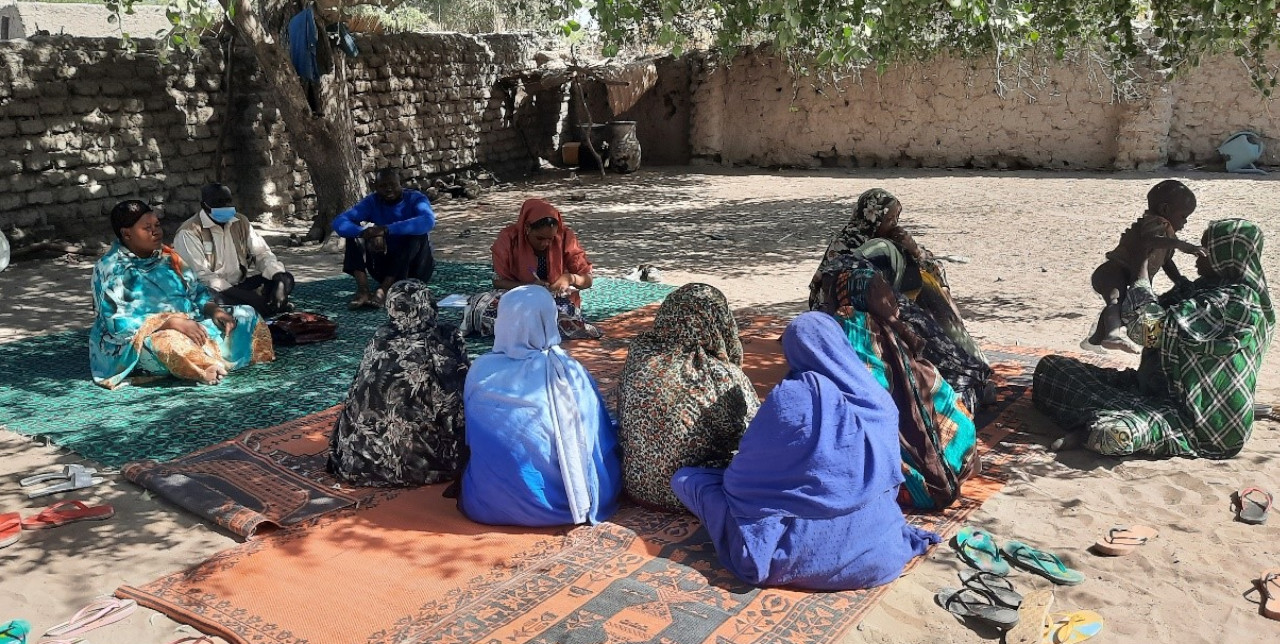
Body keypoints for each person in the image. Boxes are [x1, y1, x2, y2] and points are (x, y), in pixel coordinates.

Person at [671, 313, 941, 590]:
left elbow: (741, 483)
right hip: (880, 553)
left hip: (790, 556)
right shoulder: (877, 399)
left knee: (687, 481)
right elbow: (887, 482)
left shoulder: (790, 399)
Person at [1035, 219, 1274, 459]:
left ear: (1228, 257)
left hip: (1198, 420)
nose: (1197, 257)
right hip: (1156, 390)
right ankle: (1098, 420)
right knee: (1051, 370)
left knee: (1112, 435)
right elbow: (1155, 308)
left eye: (1206, 252)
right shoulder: (1205, 289)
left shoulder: (1235, 304)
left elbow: (1147, 329)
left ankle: (1099, 424)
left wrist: (1140, 261)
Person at [815, 257, 979, 510]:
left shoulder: (866, 326)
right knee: (950, 412)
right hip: (899, 438)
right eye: (883, 294)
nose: (892, 299)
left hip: (889, 451)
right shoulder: (872, 328)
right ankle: (944, 467)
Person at [808, 188, 992, 412]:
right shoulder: (848, 246)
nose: (895, 224)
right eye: (888, 219)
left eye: (897, 217)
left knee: (927, 288)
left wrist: (914, 250)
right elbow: (833, 292)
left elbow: (934, 269)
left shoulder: (891, 244)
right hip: (850, 313)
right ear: (871, 218)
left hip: (885, 306)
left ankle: (959, 358)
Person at [459, 285, 622, 526]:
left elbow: (471, 438)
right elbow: (596, 438)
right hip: (563, 507)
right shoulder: (568, 373)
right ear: (549, 319)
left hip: (486, 504)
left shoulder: (480, 370)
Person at [90, 200, 275, 389]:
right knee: (168, 342)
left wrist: (213, 310)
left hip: (191, 323)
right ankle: (204, 369)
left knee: (246, 314)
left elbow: (196, 291)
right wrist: (170, 322)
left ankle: (208, 357)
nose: (156, 231)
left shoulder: (168, 257)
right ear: (126, 233)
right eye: (147, 228)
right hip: (140, 341)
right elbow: (117, 324)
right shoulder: (111, 269)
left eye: (157, 225)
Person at [618, 283, 760, 512]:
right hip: (691, 493)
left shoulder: (639, 357)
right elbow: (753, 436)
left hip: (636, 486)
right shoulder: (722, 376)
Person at [328, 280, 470, 487]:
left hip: (357, 460)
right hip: (415, 465)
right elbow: (454, 404)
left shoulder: (381, 336)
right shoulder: (442, 339)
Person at [1084, 179, 1205, 353]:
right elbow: (1148, 241)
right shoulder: (1154, 223)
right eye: (1183, 216)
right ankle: (1111, 336)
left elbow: (1167, 262)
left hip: (1131, 280)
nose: (1185, 222)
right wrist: (1181, 245)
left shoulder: (1166, 235)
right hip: (1113, 271)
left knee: (1120, 303)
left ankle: (1096, 340)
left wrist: (1178, 279)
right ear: (1165, 210)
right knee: (1116, 301)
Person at [462, 198, 601, 340]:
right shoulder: (508, 239)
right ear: (527, 228)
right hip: (518, 299)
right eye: (540, 238)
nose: (546, 243)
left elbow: (587, 279)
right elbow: (498, 282)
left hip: (555, 302)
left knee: (561, 315)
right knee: (487, 306)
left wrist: (569, 278)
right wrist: (529, 287)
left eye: (550, 239)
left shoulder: (565, 237)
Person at [173, 183, 296, 317]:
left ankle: (258, 306)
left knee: (286, 278)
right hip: (213, 291)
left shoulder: (240, 222)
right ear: (204, 206)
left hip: (240, 285)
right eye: (219, 202)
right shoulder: (189, 232)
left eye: (228, 201)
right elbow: (203, 277)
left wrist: (278, 279)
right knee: (214, 300)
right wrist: (248, 297)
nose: (225, 206)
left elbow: (262, 254)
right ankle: (258, 306)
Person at [333, 168, 436, 309]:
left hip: (415, 270)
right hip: (383, 267)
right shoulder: (372, 202)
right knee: (354, 236)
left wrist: (386, 230)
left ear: (401, 184)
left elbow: (428, 221)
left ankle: (384, 289)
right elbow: (339, 222)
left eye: (392, 185)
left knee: (415, 235)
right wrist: (365, 232)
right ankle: (363, 291)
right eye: (383, 186)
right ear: (375, 187)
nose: (388, 189)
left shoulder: (415, 198)